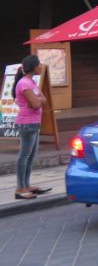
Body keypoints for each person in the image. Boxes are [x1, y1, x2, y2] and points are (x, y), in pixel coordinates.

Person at [13, 55, 51, 200]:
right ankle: (20, 188)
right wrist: (37, 100)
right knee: (24, 155)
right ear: (34, 67)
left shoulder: (32, 82)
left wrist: (38, 99)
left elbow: (43, 99)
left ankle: (26, 185)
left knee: (31, 155)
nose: (40, 67)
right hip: (27, 123)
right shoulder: (24, 84)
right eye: (39, 65)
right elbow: (35, 104)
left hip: (34, 122)